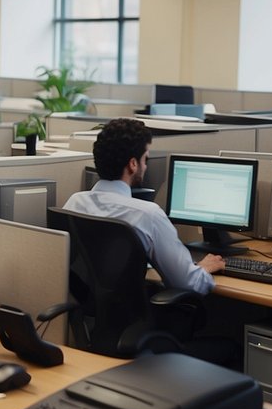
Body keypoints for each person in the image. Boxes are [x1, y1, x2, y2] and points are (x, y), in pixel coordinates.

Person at [64, 118, 222, 295]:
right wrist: (203, 268)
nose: (146, 166)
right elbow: (185, 282)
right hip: (133, 316)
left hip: (86, 309)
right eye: (145, 159)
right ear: (133, 164)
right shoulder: (148, 214)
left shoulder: (75, 203)